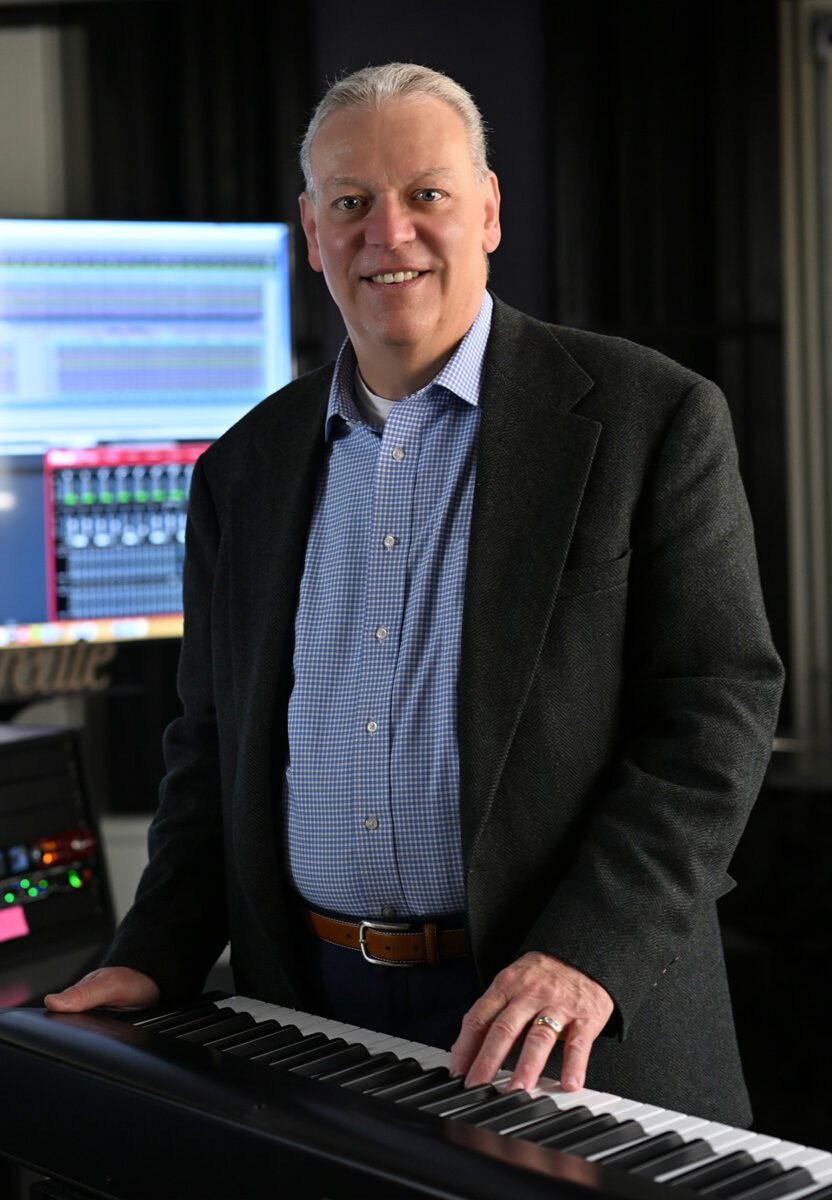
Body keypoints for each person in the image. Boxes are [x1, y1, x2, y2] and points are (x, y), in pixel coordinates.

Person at [46, 63, 783, 1126]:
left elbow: (714, 717)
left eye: (425, 195)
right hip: (305, 1010)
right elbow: (210, 750)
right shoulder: (241, 471)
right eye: (350, 203)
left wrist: (581, 954)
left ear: (487, 212)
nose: (387, 235)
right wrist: (151, 956)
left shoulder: (651, 419)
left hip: (569, 1020)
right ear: (311, 230)